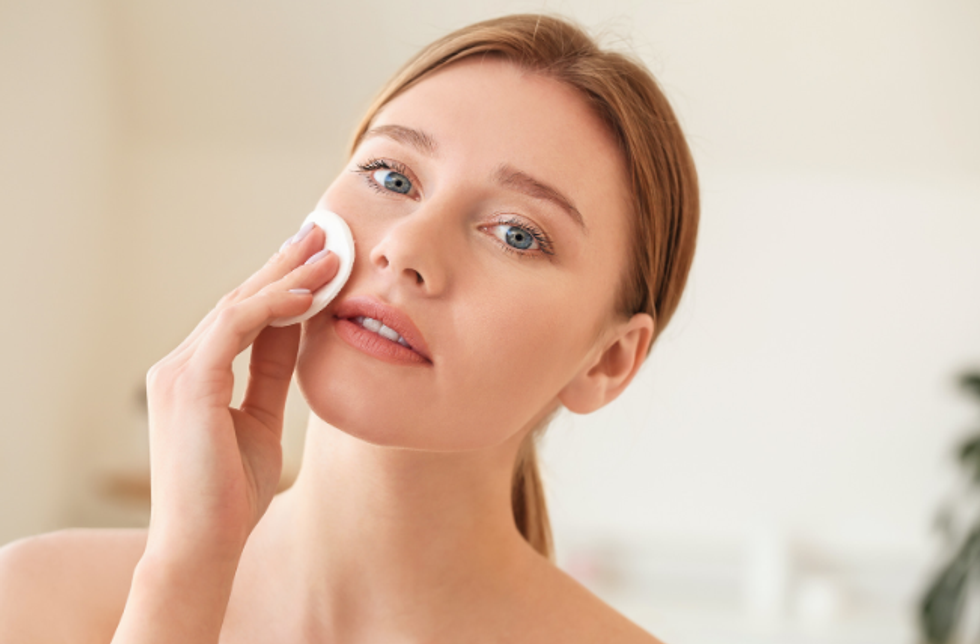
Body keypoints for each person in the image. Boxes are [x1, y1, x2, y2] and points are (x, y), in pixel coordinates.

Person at [0, 13, 698, 643]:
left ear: (606, 362)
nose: (406, 248)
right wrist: (185, 579)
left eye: (517, 234)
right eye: (392, 178)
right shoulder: (37, 601)